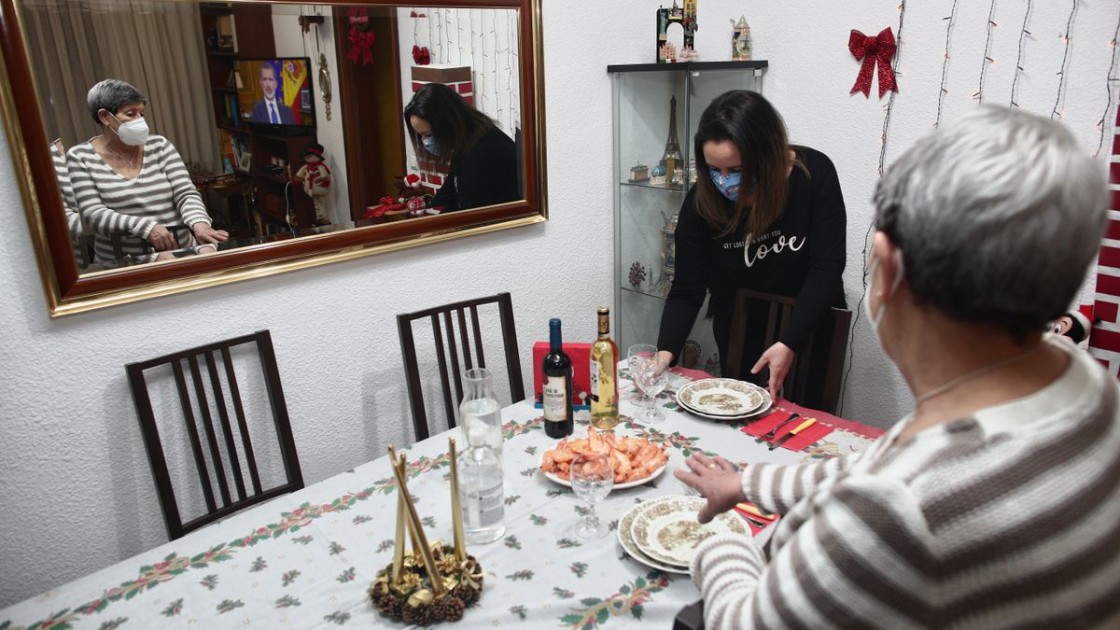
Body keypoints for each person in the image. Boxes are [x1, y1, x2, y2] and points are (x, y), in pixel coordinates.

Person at [675, 106, 1120, 629]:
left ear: (890, 266)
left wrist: (720, 545)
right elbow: (877, 465)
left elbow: (743, 623)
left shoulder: (895, 511)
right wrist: (748, 482)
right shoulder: (1085, 380)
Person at [655, 90, 846, 401]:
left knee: (803, 429)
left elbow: (827, 268)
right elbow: (687, 289)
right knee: (742, 425)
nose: (725, 181)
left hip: (808, 321)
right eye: (715, 170)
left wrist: (790, 342)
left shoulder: (813, 174)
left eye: (737, 170)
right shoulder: (701, 202)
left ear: (766, 156)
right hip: (740, 327)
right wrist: (663, 356)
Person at [67, 79, 228, 265]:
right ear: (105, 117)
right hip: (124, 263)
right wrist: (147, 227)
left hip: (180, 253)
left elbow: (185, 193)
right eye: (130, 114)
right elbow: (92, 214)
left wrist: (199, 223)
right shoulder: (81, 156)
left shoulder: (159, 145)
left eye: (141, 113)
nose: (139, 121)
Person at [403, 83, 519, 212]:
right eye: (421, 136)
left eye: (428, 135)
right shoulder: (470, 138)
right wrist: (428, 205)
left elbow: (470, 212)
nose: (426, 141)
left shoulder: (479, 154)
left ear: (446, 123)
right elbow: (451, 187)